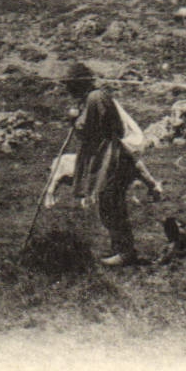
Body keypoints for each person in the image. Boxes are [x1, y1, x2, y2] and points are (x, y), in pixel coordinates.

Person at [64, 62, 163, 267]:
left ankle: (125, 252)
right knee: (109, 202)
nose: (67, 89)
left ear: (78, 83)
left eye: (70, 84)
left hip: (112, 156)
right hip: (107, 155)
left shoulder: (95, 98)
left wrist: (74, 119)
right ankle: (122, 249)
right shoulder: (92, 98)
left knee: (110, 202)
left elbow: (89, 128)